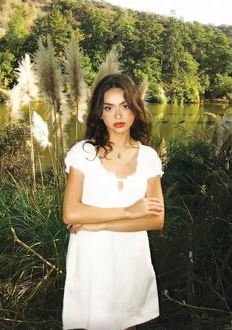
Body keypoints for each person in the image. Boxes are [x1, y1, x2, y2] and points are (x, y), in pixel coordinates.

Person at [62, 73, 164, 330]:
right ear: (100, 113)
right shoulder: (82, 153)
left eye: (125, 106)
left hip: (130, 260)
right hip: (92, 261)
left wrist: (97, 224)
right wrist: (130, 212)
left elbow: (156, 219)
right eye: (109, 107)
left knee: (127, 322)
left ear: (135, 109)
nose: (118, 115)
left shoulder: (149, 157)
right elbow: (71, 213)